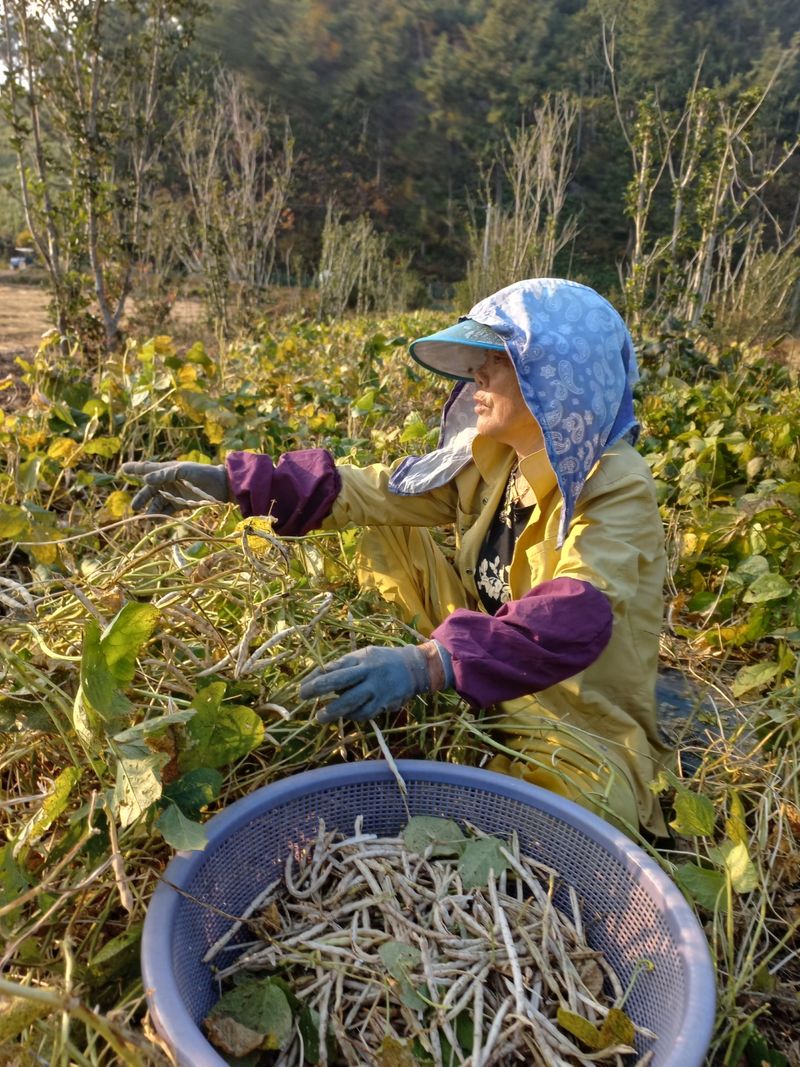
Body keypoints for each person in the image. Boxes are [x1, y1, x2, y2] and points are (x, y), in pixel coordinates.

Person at [121, 278, 671, 837]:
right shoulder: (498, 459)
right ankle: (429, 700)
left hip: (561, 714)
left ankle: (434, 695)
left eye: (495, 360)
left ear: (555, 376)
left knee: (589, 810)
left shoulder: (616, 483)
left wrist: (429, 664)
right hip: (472, 664)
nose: (476, 374)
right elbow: (375, 492)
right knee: (385, 528)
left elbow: (579, 611)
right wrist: (234, 486)